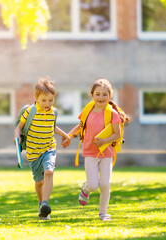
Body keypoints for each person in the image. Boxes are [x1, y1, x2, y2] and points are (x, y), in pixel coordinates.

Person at [67, 78, 126, 221]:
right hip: (90, 153)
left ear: (110, 96)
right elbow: (81, 127)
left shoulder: (112, 113)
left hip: (106, 154)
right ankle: (86, 188)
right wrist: (68, 136)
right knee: (93, 185)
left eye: (105, 94)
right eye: (98, 94)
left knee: (105, 184)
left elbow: (117, 134)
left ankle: (103, 213)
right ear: (92, 95)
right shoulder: (87, 110)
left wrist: (104, 141)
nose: (101, 97)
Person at [14, 77, 71, 220]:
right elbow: (19, 127)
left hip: (48, 149)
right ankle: (41, 205)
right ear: (36, 98)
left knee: (49, 172)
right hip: (33, 153)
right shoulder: (30, 112)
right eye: (44, 100)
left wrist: (66, 135)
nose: (47, 103)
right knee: (39, 182)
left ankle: (45, 203)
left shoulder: (53, 112)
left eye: (50, 100)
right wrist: (17, 137)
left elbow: (52, 127)